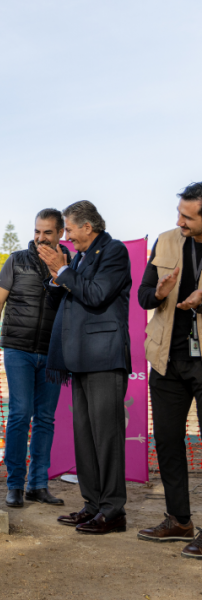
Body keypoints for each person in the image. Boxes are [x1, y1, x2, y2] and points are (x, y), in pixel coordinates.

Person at [38, 200, 132, 535]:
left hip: (104, 357)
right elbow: (62, 299)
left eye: (70, 228)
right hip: (79, 356)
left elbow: (95, 294)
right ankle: (93, 505)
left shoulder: (114, 252)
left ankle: (113, 510)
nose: (68, 235)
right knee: (86, 437)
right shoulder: (78, 257)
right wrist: (56, 278)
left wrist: (65, 272)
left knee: (106, 437)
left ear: (88, 227)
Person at [135, 181, 202, 559]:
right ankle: (179, 520)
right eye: (179, 213)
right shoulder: (166, 241)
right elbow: (144, 295)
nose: (179, 222)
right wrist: (159, 293)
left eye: (188, 217)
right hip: (166, 360)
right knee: (168, 442)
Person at [0, 209, 71, 508]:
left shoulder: (71, 263)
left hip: (53, 352)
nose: (40, 238)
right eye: (37, 231)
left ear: (61, 234)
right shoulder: (16, 260)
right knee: (19, 413)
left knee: (45, 418)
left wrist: (63, 271)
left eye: (48, 233)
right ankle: (15, 484)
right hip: (18, 349)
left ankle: (38, 485)